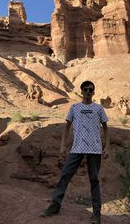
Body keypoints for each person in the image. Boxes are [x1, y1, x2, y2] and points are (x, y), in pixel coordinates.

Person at [41, 80, 109, 224]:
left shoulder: (98, 109)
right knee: (65, 174)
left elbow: (105, 127)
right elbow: (67, 127)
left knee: (94, 180)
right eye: (85, 89)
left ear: (94, 92)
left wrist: (106, 146)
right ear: (81, 91)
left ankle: (96, 213)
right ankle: (55, 205)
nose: (88, 92)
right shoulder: (74, 108)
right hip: (77, 148)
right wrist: (62, 145)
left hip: (95, 149)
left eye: (91, 90)